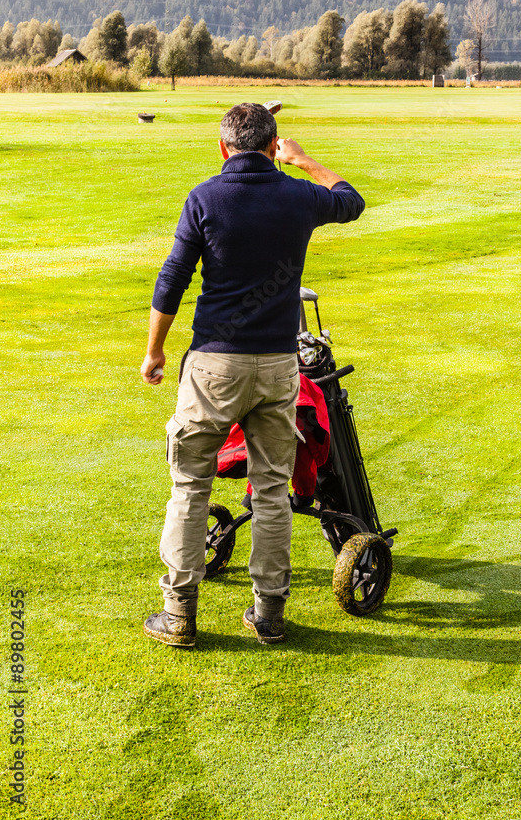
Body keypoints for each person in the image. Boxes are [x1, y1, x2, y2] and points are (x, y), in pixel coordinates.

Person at [140, 103, 365, 647]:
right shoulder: (298, 195)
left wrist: (154, 352)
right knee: (270, 491)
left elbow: (173, 278)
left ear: (222, 149)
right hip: (276, 367)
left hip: (214, 364)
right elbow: (350, 201)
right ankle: (268, 616)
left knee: (190, 486)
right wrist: (304, 160)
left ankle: (179, 615)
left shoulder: (205, 197)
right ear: (273, 147)